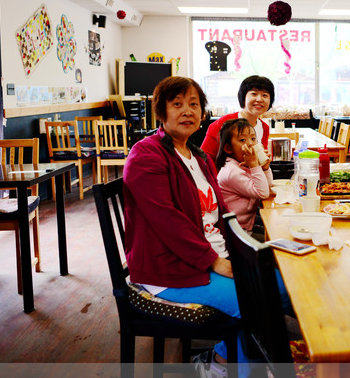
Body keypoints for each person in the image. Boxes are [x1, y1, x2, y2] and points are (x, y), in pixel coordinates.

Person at [122, 76, 288, 370]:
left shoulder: (199, 157)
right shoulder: (146, 154)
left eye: (194, 104)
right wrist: (215, 261)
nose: (187, 111)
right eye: (177, 104)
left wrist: (242, 252)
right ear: (161, 112)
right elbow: (168, 221)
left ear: (203, 113)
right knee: (257, 299)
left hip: (211, 256)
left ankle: (223, 358)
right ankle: (236, 366)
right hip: (169, 268)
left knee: (286, 284)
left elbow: (222, 215)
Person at [201, 75, 275, 170]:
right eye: (254, 94)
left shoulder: (264, 127)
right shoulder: (224, 123)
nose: (259, 99)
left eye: (265, 95)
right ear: (243, 97)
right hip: (223, 182)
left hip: (250, 182)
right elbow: (204, 159)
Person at [216, 118, 273, 232]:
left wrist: (265, 167)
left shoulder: (242, 165)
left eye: (253, 138)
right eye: (242, 140)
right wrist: (254, 165)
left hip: (246, 223)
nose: (251, 143)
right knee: (275, 239)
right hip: (236, 232)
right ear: (228, 148)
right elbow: (263, 193)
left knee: (276, 226)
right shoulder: (231, 172)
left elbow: (268, 187)